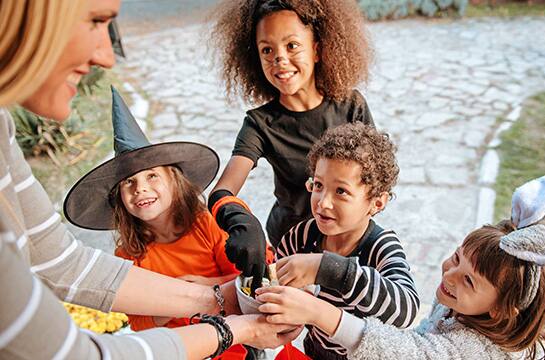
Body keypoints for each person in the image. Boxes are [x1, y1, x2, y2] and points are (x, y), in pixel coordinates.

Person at [0, 1, 299, 359]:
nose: (108, 57)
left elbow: (58, 262)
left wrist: (219, 298)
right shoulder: (130, 252)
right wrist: (229, 327)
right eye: (96, 20)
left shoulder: (3, 130)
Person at [258, 176, 545, 360]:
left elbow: (410, 351)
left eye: (469, 281)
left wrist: (317, 310)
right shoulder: (466, 306)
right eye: (456, 259)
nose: (449, 275)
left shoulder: (476, 351)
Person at [206, 0, 375, 292]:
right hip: (291, 240)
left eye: (292, 45)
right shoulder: (260, 124)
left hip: (348, 239)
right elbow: (223, 190)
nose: (279, 59)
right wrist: (241, 220)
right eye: (267, 50)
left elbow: (372, 180)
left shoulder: (351, 106)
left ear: (318, 49)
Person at [261, 123, 420, 359]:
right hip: (315, 350)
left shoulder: (381, 246)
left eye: (341, 191)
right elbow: (275, 279)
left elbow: (406, 309)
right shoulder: (301, 236)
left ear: (377, 202)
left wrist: (327, 268)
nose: (323, 202)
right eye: (318, 185)